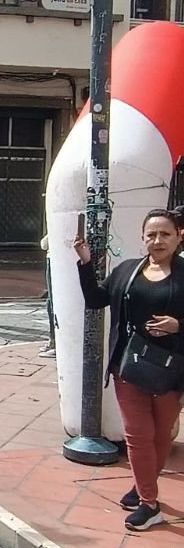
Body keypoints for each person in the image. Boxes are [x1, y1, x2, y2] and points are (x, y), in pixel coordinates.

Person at [74, 209, 184, 531]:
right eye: (151, 234)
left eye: (165, 234)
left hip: (171, 371)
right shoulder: (127, 272)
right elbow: (95, 300)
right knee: (138, 436)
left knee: (161, 435)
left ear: (179, 236)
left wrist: (179, 326)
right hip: (130, 367)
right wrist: (84, 262)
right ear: (142, 238)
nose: (157, 240)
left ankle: (141, 486)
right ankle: (150, 505)